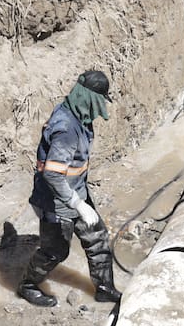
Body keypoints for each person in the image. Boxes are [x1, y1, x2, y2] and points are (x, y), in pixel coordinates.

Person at [18, 70, 122, 308]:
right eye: (101, 102)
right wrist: (76, 203)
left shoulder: (76, 115)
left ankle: (104, 289)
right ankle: (28, 285)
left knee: (97, 238)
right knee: (55, 251)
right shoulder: (66, 128)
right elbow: (53, 174)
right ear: (90, 100)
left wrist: (81, 201)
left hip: (76, 194)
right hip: (56, 201)